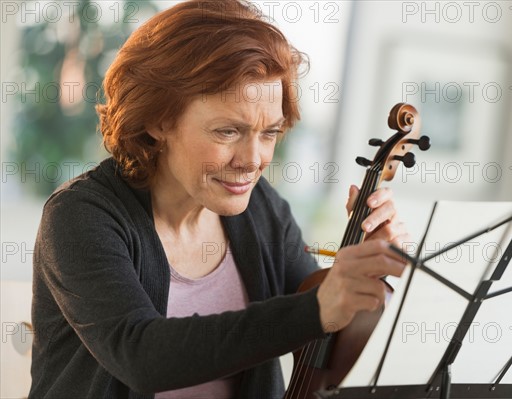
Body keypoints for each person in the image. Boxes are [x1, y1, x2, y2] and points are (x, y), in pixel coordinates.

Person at [29, 1, 409, 398]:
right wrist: (317, 309)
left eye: (269, 134)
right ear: (160, 120)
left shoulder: (263, 209)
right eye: (228, 131)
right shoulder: (81, 216)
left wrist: (367, 267)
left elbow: (322, 327)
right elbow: (140, 355)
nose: (252, 161)